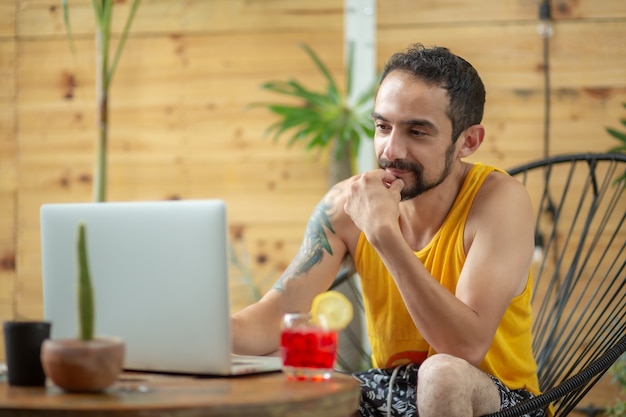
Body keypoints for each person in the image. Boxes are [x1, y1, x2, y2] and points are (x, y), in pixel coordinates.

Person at [232, 43, 543, 417]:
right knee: (274, 363)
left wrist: (382, 234)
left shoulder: (499, 201)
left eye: (417, 132)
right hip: (391, 389)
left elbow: (464, 349)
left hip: (497, 400)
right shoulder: (346, 204)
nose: (391, 150)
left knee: (442, 375)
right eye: (383, 126)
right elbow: (278, 314)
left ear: (468, 141)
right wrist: (197, 337)